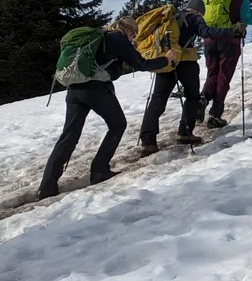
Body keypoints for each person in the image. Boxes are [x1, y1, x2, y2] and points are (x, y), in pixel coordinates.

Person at [38, 17, 178, 200]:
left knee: (69, 134)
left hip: (74, 88)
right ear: (128, 31)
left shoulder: (101, 37)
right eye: (133, 35)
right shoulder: (118, 38)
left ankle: (47, 186)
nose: (133, 39)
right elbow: (141, 64)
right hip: (95, 89)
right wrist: (165, 59)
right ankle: (99, 170)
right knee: (118, 124)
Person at [138, 0, 241, 156]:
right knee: (192, 97)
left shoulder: (171, 17)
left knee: (158, 99)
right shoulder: (194, 19)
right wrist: (231, 31)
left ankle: (148, 141)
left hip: (166, 60)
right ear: (200, 11)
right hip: (185, 63)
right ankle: (185, 132)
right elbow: (207, 32)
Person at [200, 0, 252, 129]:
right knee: (223, 77)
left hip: (209, 40)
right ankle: (215, 115)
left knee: (212, 74)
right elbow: (247, 18)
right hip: (229, 42)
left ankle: (202, 100)